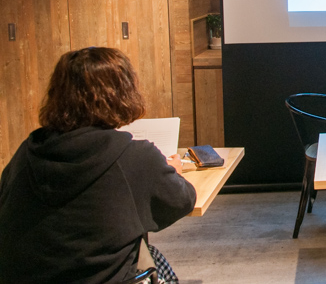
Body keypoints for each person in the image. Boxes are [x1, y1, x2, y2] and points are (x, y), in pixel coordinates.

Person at [0, 47, 196, 284]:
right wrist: (174, 172)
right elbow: (181, 201)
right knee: (149, 256)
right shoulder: (134, 157)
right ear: (122, 93)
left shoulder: (28, 152)